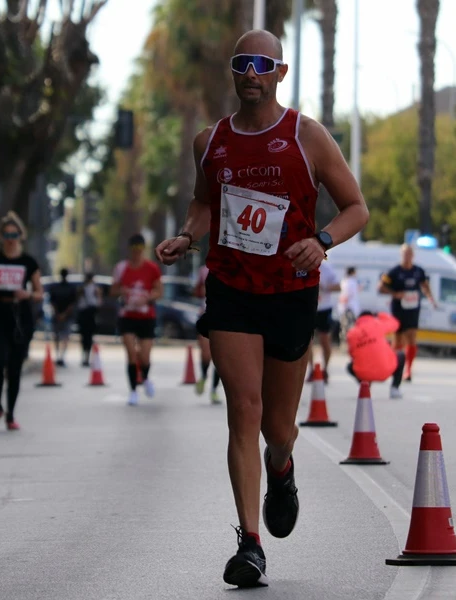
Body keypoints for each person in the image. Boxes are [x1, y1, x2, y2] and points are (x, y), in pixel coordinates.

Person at [155, 30, 368, 588]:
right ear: (233, 73)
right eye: (241, 64)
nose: (251, 73)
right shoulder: (211, 141)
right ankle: (250, 544)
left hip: (291, 293)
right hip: (231, 289)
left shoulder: (306, 136)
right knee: (243, 409)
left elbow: (356, 208)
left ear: (279, 71)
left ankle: (283, 468)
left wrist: (321, 240)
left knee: (278, 427)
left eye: (261, 64)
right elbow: (206, 200)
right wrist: (186, 235)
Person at [0, 212, 43, 431]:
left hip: (20, 316)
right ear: (1, 236)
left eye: (14, 234)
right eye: (6, 234)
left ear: (20, 236)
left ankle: (10, 414)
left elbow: (39, 293)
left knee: (14, 368)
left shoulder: (29, 262)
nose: (10, 238)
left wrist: (27, 295)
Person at [112, 233, 163, 406]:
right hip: (127, 316)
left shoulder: (152, 268)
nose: (137, 253)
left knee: (145, 356)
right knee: (131, 354)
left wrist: (148, 297)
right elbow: (113, 290)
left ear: (144, 250)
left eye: (140, 250)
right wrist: (123, 291)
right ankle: (133, 390)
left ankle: (146, 378)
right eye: (134, 250)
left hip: (146, 317)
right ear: (130, 250)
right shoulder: (121, 268)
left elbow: (159, 291)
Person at [379, 244, 438, 382]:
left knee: (411, 337)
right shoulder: (394, 271)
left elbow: (425, 285)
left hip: (413, 308)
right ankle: (394, 367)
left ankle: (408, 370)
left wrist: (430, 298)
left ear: (413, 255)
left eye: (409, 254)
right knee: (398, 340)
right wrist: (395, 293)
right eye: (405, 254)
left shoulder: (419, 271)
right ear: (401, 255)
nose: (407, 256)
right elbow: (381, 287)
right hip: (398, 309)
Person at [345, 311, 407, 399]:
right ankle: (395, 388)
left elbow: (352, 354)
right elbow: (395, 323)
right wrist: (380, 314)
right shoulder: (377, 324)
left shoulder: (352, 333)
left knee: (350, 366)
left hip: (364, 374)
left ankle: (366, 388)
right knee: (401, 355)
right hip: (385, 370)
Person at [192, 264, 222, 404]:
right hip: (206, 314)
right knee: (206, 353)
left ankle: (214, 390)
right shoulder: (204, 270)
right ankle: (203, 376)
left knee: (220, 358)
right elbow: (196, 291)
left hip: (225, 318)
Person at [309, 260, 342, 381]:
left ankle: (325, 370)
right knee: (307, 342)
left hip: (324, 308)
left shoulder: (327, 268)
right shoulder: (303, 263)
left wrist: (325, 287)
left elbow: (338, 287)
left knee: (325, 340)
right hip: (309, 308)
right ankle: (312, 370)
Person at [47, 268, 78, 367]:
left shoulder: (55, 287)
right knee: (64, 337)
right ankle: (61, 356)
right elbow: (72, 303)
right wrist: (63, 314)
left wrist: (59, 314)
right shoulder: (70, 288)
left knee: (58, 336)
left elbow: (52, 302)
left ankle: (59, 356)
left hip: (61, 315)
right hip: (64, 316)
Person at [76, 272, 103, 367]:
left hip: (88, 314)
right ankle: (85, 356)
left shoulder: (94, 289)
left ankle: (86, 356)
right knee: (87, 336)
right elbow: (99, 302)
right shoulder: (84, 289)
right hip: (87, 314)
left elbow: (98, 302)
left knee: (86, 336)